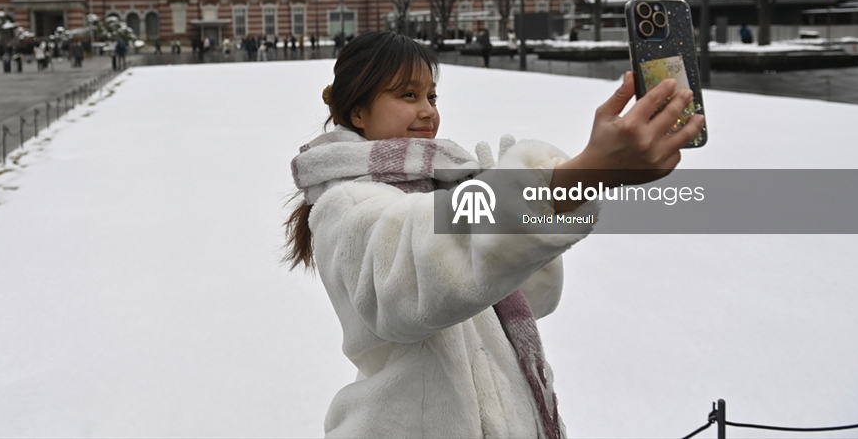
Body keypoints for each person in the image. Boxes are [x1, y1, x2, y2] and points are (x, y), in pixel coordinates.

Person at [286, 31, 702, 437]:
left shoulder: (445, 182)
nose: (428, 110)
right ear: (358, 113)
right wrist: (572, 178)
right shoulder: (346, 205)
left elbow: (533, 298)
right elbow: (414, 273)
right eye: (407, 96)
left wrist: (522, 206)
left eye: (432, 96)